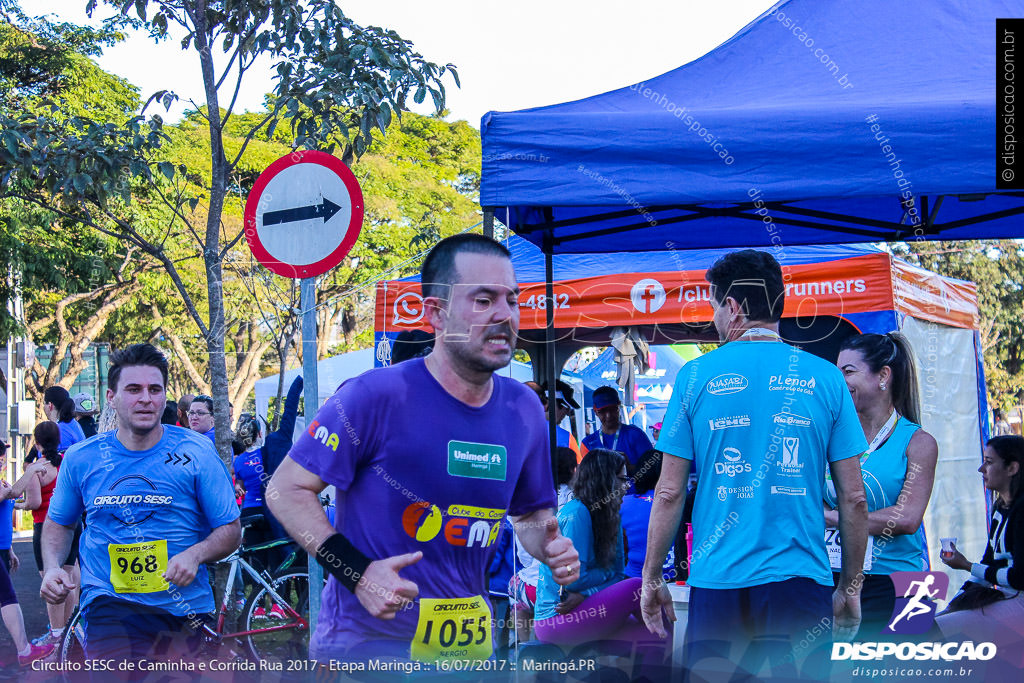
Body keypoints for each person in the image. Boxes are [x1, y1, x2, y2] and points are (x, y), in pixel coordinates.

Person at [267, 233, 579, 663]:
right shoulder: (374, 396)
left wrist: (547, 546)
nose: (505, 315)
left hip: (468, 656)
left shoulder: (524, 408)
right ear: (435, 312)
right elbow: (285, 490)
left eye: (513, 299)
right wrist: (358, 575)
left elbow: (528, 515)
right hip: (368, 655)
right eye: (484, 300)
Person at [640, 249, 870, 676]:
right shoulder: (827, 377)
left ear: (733, 308)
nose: (714, 319)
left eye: (714, 306)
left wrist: (652, 577)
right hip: (801, 584)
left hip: (718, 582)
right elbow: (854, 499)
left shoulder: (695, 376)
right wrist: (850, 587)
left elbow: (669, 491)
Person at [39, 343, 241, 664]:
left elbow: (230, 529)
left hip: (184, 610)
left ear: (164, 396)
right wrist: (51, 568)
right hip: (110, 603)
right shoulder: (82, 458)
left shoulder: (196, 453)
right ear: (111, 398)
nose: (145, 398)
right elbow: (59, 523)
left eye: (154, 389)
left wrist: (195, 554)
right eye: (133, 389)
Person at [824, 332, 938, 638]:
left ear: (883, 376)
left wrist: (835, 517)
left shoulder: (918, 442)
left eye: (848, 372)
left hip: (897, 583)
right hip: (834, 576)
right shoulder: (831, 436)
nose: (839, 381)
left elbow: (907, 518)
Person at [534, 449, 655, 646]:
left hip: (584, 608)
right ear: (604, 480)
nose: (627, 487)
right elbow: (574, 580)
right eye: (622, 479)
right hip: (556, 619)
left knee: (650, 632)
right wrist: (603, 580)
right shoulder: (577, 513)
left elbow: (617, 574)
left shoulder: (611, 516)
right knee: (638, 587)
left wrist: (586, 594)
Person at [937, 435, 1024, 665]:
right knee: (934, 623)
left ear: (1012, 467)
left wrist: (966, 565)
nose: (981, 469)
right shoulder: (1000, 506)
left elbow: (1019, 578)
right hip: (1009, 597)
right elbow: (988, 563)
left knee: (937, 634)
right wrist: (954, 603)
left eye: (989, 461)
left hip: (1019, 599)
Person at [8, 422, 82, 649]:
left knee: (51, 580)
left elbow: (35, 502)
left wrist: (17, 505)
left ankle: (56, 634)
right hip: (72, 525)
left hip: (46, 529)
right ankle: (69, 631)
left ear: (37, 443)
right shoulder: (66, 464)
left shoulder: (37, 468)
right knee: (68, 580)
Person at [0, 474, 54, 666]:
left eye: (1, 456)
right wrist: (32, 471)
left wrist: (9, 549)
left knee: (4, 598)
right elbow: (9, 493)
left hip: (2, 548)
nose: (1, 461)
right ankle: (25, 651)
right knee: (7, 597)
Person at [261, 375, 303, 545]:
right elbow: (290, 410)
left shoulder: (262, 449)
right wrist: (300, 380)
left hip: (267, 498)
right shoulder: (282, 437)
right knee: (288, 540)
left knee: (275, 541)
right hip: (283, 493)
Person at [621, 449, 675, 580]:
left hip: (634, 580)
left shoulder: (622, 504)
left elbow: (620, 549)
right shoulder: (683, 503)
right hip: (677, 579)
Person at [583, 386, 653, 476]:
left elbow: (653, 471)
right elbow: (586, 479)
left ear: (619, 406)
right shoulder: (588, 443)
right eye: (603, 411)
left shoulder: (635, 435)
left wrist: (628, 467)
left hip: (634, 490)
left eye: (612, 409)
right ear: (595, 411)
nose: (608, 415)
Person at [43, 386, 86, 451]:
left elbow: (55, 459)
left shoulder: (60, 430)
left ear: (50, 405)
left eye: (44, 403)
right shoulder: (73, 424)